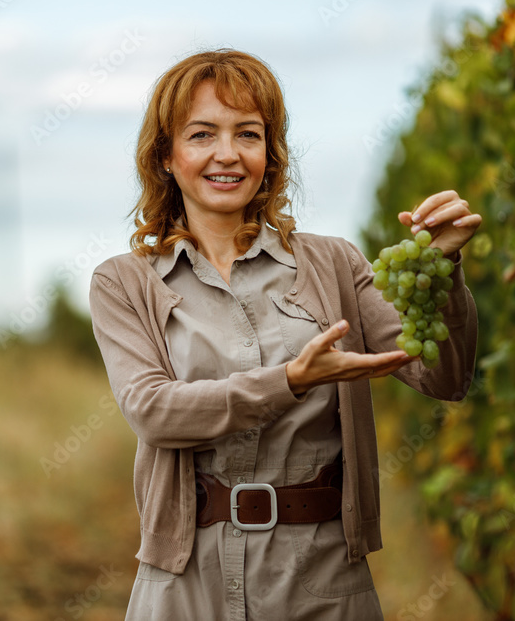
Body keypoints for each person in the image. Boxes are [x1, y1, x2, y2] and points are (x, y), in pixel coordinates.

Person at [88, 49, 480, 620]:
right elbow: (153, 411)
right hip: (186, 584)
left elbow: (444, 377)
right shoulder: (124, 283)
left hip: (322, 579)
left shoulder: (333, 264)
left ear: (270, 154)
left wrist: (440, 278)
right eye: (201, 135)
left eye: (248, 134)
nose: (227, 154)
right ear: (166, 156)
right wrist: (290, 381)